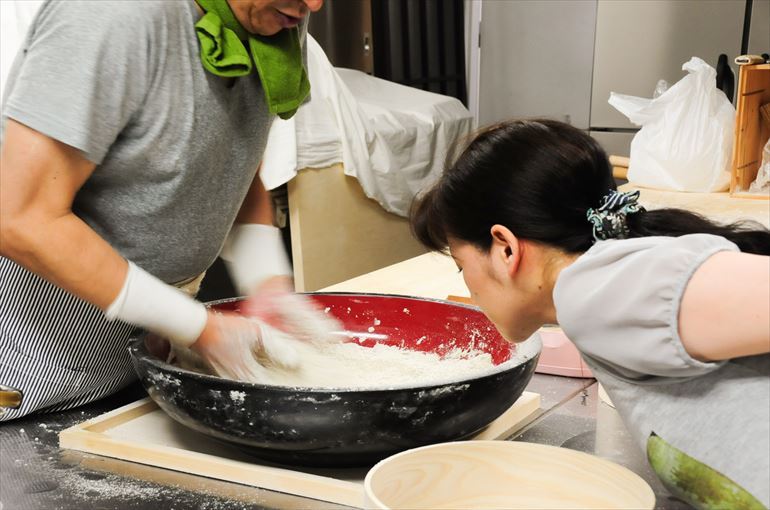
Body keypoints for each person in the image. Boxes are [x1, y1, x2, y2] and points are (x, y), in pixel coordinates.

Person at [411, 119, 770, 509]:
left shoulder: (593, 291)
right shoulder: (606, 290)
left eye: (462, 266)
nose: (469, 289)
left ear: (505, 248)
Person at [0, 0, 327, 421]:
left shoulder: (279, 14)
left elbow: (232, 155)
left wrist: (267, 283)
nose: (315, 3)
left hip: (132, 354)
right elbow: (20, 219)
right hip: (19, 357)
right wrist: (198, 328)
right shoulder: (111, 14)